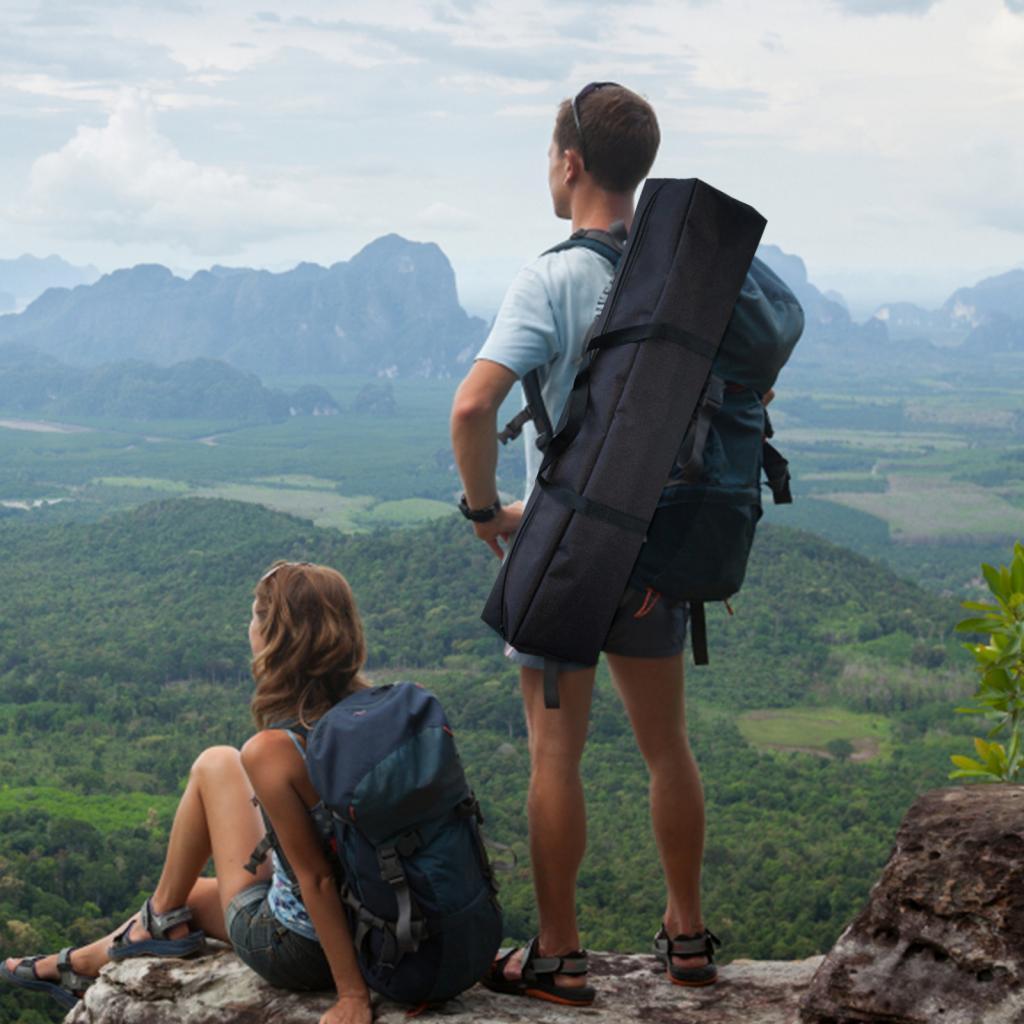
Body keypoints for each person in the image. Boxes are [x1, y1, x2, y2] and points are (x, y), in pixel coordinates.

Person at [450, 83, 718, 1005]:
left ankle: (559, 955)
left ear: (569, 162)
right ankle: (688, 936)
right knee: (667, 749)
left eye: (547, 153)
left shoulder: (551, 279)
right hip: (652, 556)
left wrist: (484, 513)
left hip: (564, 557)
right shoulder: (680, 276)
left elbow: (473, 407)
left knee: (554, 758)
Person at [1, 561, 374, 1024]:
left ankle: (129, 934)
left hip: (305, 948)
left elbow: (317, 880)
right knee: (189, 896)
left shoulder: (276, 748)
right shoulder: (382, 713)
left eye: (254, 616)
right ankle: (90, 957)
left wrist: (352, 995)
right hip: (386, 925)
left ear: (276, 638)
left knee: (215, 763)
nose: (249, 627)